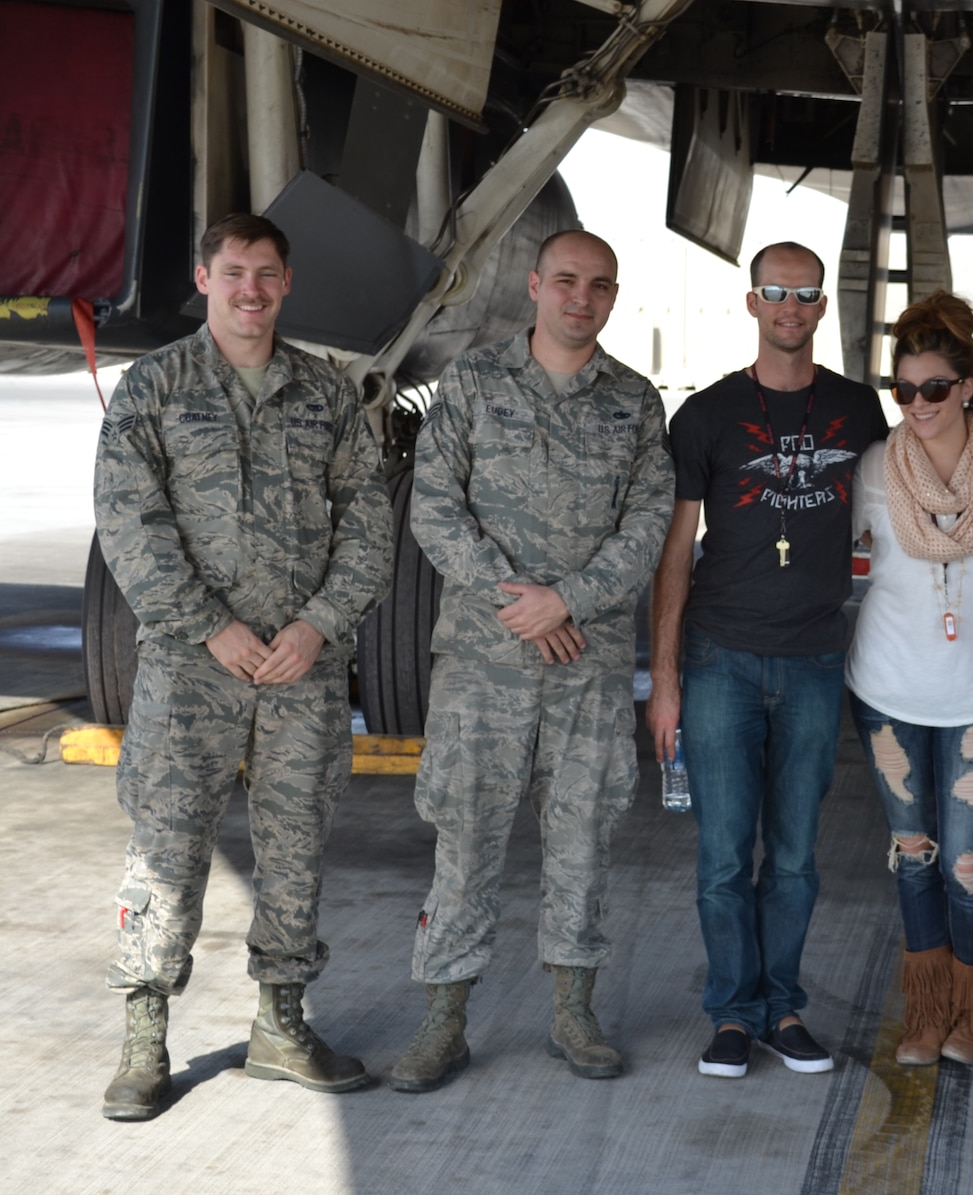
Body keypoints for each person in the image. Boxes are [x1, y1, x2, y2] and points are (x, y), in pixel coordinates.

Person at [94, 213, 391, 1121]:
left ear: (287, 282)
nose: (250, 289)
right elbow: (128, 520)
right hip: (192, 667)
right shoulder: (155, 387)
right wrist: (208, 625)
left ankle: (281, 1024)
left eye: (266, 273)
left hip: (301, 668)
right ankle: (145, 1036)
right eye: (233, 273)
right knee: (168, 842)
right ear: (204, 279)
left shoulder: (326, 392)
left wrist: (318, 625)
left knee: (296, 844)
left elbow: (368, 519)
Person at [388, 230, 673, 1092]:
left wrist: (569, 600)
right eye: (566, 280)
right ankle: (443, 1020)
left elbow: (648, 525)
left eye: (600, 285)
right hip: (484, 663)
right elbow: (435, 508)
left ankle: (574, 1012)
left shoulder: (634, 401)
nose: (582, 297)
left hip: (587, 664)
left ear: (612, 296)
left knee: (583, 834)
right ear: (535, 284)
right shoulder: (473, 382)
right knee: (465, 835)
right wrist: (520, 601)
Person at [650, 243, 891, 1078]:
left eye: (805, 293)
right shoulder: (707, 415)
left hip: (815, 658)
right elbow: (676, 553)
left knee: (793, 856)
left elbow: (895, 514)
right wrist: (665, 679)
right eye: (776, 292)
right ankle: (731, 1012)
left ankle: (782, 1007)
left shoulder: (858, 409)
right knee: (723, 856)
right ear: (752, 302)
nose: (791, 306)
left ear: (822, 306)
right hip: (721, 658)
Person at [847, 291, 973, 1066]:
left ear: (966, 386)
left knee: (964, 864)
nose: (918, 403)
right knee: (914, 854)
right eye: (904, 389)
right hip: (887, 687)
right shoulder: (875, 467)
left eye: (934, 387)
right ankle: (926, 1012)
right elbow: (844, 557)